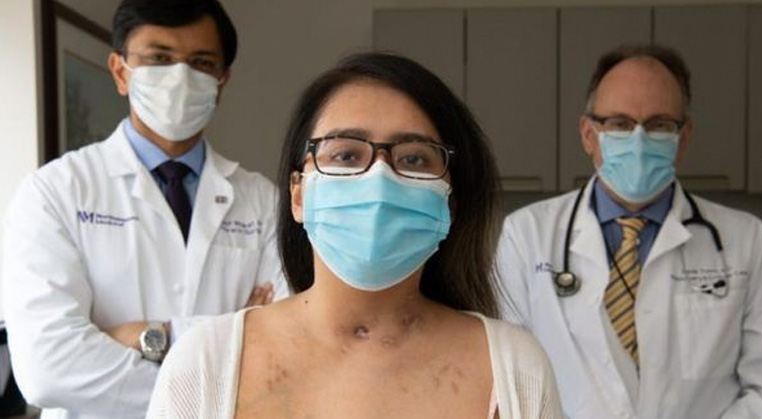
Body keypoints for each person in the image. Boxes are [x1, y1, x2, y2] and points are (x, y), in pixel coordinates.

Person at [145, 52, 563, 419]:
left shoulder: (515, 369)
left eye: (414, 159)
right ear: (298, 195)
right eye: (345, 154)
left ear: (448, 205)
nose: (379, 178)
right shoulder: (203, 364)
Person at [2, 1, 287, 418]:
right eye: (159, 58)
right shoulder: (54, 192)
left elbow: (284, 343)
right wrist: (218, 356)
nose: (180, 77)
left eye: (201, 62)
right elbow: (49, 367)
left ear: (221, 81)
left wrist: (143, 335)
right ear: (121, 72)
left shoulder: (264, 202)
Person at [496, 44, 762, 419]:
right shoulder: (526, 235)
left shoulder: (745, 240)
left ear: (683, 138)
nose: (639, 142)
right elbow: (507, 383)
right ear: (589, 134)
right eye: (619, 123)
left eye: (659, 125)